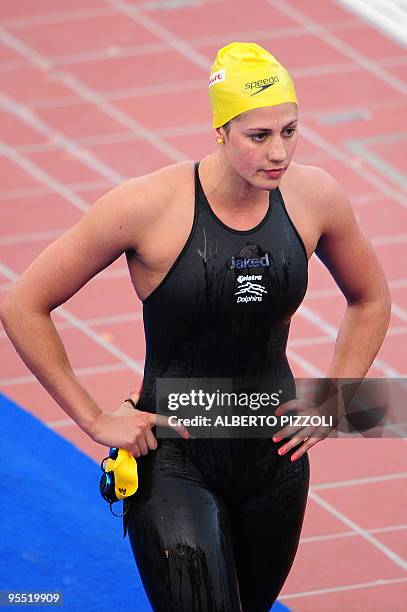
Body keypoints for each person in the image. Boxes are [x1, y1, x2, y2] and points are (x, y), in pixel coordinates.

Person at [0, 42, 391, 611]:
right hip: (175, 460)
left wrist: (337, 395)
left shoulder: (315, 197)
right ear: (219, 131)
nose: (278, 151)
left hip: (273, 462)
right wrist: (92, 417)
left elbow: (371, 297)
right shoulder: (146, 206)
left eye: (290, 130)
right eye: (258, 136)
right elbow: (24, 303)